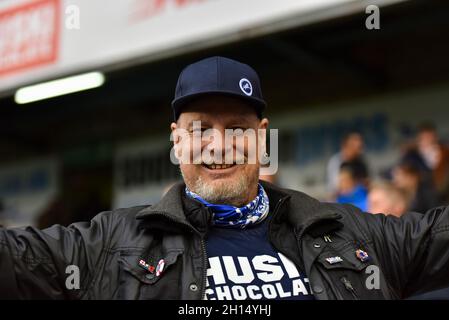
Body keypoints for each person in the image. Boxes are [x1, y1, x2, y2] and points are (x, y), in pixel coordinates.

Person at [1, 56, 449, 300]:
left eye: (237, 128)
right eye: (199, 130)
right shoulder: (108, 246)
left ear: (261, 138)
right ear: (177, 142)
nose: (219, 145)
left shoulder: (352, 233)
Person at [326, 132, 369, 198]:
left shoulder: (361, 161)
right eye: (356, 147)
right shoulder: (336, 162)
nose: (360, 151)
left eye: (360, 147)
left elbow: (367, 182)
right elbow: (335, 187)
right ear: (345, 146)